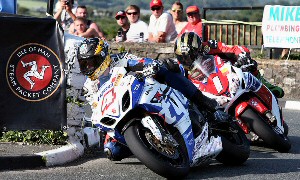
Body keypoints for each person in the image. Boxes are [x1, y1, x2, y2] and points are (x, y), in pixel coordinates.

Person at [76, 38, 227, 160]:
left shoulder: (120, 59)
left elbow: (141, 62)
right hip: (119, 115)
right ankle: (151, 146)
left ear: (103, 56)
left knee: (167, 71)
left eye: (91, 62)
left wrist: (150, 66)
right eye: (84, 64)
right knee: (112, 151)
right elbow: (95, 107)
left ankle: (205, 102)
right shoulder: (90, 85)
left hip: (142, 92)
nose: (89, 67)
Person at [174, 32, 284, 98]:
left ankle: (266, 87)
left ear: (199, 49)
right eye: (182, 57)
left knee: (249, 65)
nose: (186, 60)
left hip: (226, 73)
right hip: (206, 88)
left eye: (190, 56)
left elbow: (234, 48)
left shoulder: (209, 46)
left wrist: (242, 55)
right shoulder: (180, 66)